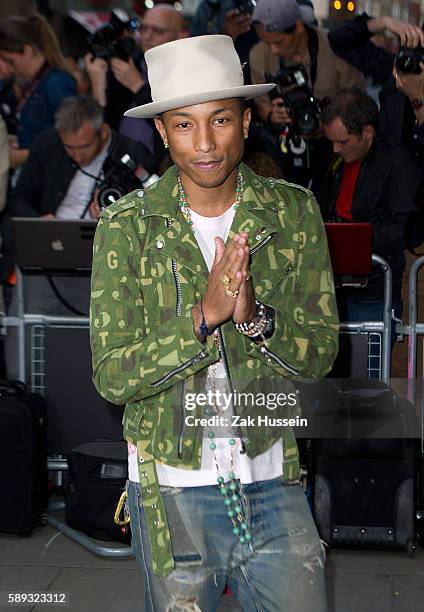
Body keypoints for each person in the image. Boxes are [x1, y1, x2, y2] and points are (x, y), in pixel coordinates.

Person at [90, 34, 339, 610]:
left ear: (246, 121)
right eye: (183, 125)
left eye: (220, 119)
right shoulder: (128, 228)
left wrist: (257, 319)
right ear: (161, 132)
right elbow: (111, 375)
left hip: (273, 476)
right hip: (172, 488)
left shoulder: (292, 213)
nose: (204, 143)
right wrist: (202, 319)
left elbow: (322, 354)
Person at [320, 88, 422, 344]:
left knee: (368, 376)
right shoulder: (337, 165)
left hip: (375, 291)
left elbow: (410, 230)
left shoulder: (398, 164)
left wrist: (358, 240)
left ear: (367, 133)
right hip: (332, 289)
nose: (335, 149)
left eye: (343, 142)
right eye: (332, 141)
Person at [248, 0, 364, 195]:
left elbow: (359, 101)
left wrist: (329, 120)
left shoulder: (334, 48)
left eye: (278, 42)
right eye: (267, 42)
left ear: (299, 27)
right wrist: (271, 115)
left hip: (330, 152)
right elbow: (261, 104)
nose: (273, 50)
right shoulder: (258, 55)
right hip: (282, 153)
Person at [8, 95, 157, 220]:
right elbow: (19, 198)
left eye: (85, 147)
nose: (78, 156)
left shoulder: (132, 154)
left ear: (103, 132)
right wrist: (39, 222)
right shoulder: (48, 145)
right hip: (52, 236)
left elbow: (153, 209)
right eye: (69, 147)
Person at [86, 3, 188, 149]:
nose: (147, 36)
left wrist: (138, 87)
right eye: (143, 28)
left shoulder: (187, 73)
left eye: (158, 31)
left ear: (181, 35)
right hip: (120, 161)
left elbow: (178, 129)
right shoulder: (128, 65)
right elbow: (98, 133)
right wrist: (98, 89)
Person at [327, 13, 424, 164]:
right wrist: (385, 23)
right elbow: (338, 41)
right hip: (384, 178)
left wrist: (416, 97)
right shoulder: (398, 70)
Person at [0, 13, 77, 169]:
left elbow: (71, 138)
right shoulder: (37, 82)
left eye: (10, 61)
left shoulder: (56, 83)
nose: (9, 67)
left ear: (27, 50)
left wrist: (18, 157)